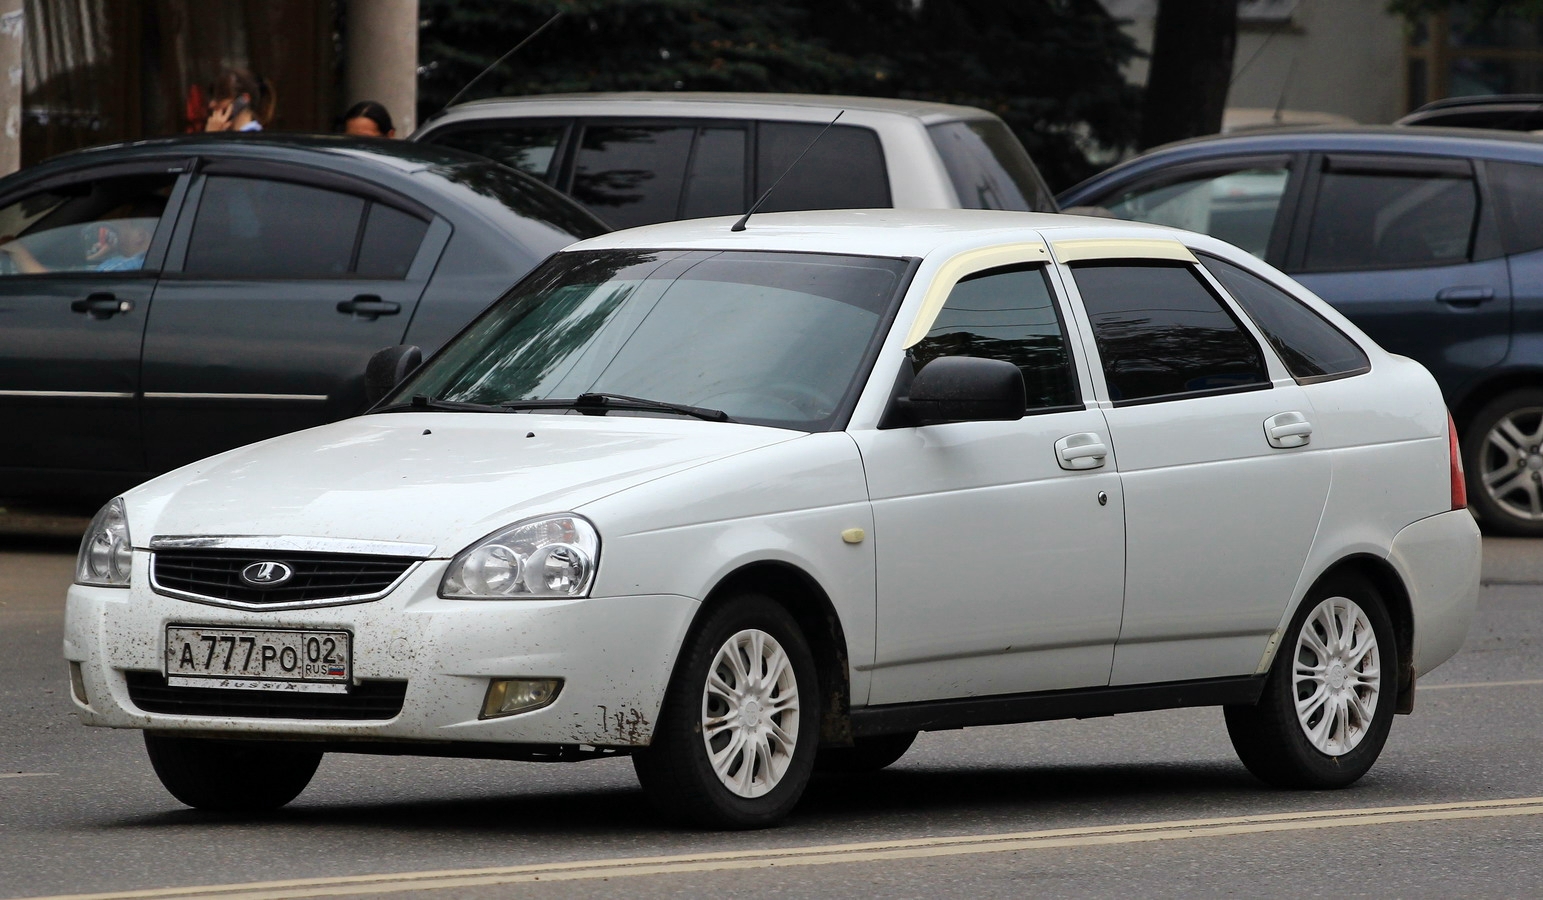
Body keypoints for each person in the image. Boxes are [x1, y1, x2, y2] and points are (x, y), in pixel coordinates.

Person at [204, 68, 274, 133]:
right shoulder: (229, 136)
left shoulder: (252, 138)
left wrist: (211, 136)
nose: (212, 104)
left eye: (221, 97)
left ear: (244, 99)